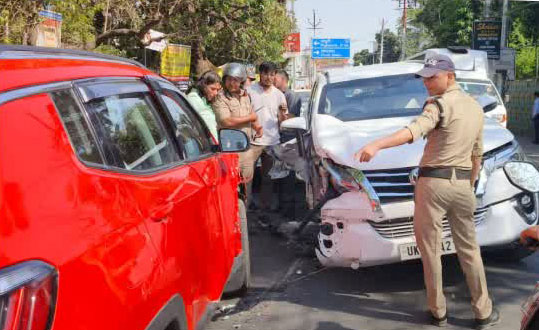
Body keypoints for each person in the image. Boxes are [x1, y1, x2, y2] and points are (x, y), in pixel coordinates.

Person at [354, 54, 499, 329]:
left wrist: (376, 145)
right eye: (425, 78)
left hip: (434, 185)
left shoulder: (438, 105)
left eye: (432, 77)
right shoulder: (475, 107)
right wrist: (468, 183)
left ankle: (438, 312)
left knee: (430, 250)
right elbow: (477, 153)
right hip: (464, 184)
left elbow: (414, 130)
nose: (427, 83)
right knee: (470, 250)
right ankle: (483, 311)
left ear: (450, 76)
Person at [247, 61, 287, 213]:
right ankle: (246, 207)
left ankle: (265, 209)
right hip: (253, 141)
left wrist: (283, 113)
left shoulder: (279, 95)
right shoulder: (249, 91)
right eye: (265, 74)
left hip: (272, 142)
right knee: (247, 177)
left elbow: (283, 121)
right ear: (260, 74)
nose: (268, 77)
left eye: (272, 74)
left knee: (268, 179)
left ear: (275, 75)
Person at [213, 63, 262, 185]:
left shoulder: (245, 96)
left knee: (246, 184)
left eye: (235, 80)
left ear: (241, 81)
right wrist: (251, 117)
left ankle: (246, 204)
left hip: (246, 149)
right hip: (229, 151)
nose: (232, 83)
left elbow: (251, 113)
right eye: (229, 79)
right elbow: (226, 121)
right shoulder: (220, 98)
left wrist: (257, 126)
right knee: (229, 185)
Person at [273, 69, 303, 218]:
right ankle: (282, 206)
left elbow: (290, 118)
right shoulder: (274, 95)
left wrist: (281, 114)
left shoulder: (291, 96)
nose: (273, 81)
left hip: (289, 141)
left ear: (284, 80)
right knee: (279, 176)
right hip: (277, 140)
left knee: (288, 177)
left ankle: (289, 210)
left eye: (275, 78)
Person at [186, 70, 221, 141]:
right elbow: (209, 126)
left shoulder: (205, 100)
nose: (215, 93)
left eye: (217, 90)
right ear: (204, 85)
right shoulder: (194, 99)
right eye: (213, 89)